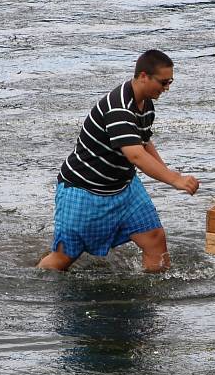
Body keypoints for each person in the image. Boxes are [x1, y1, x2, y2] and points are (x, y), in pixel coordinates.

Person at [37, 50, 199, 273]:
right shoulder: (118, 107)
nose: (166, 88)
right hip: (84, 190)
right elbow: (135, 155)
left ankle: (153, 296)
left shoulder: (146, 105)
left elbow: (144, 143)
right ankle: (33, 281)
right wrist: (175, 180)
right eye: (163, 82)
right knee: (64, 256)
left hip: (124, 188)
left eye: (170, 82)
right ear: (143, 76)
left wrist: (166, 171)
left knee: (155, 239)